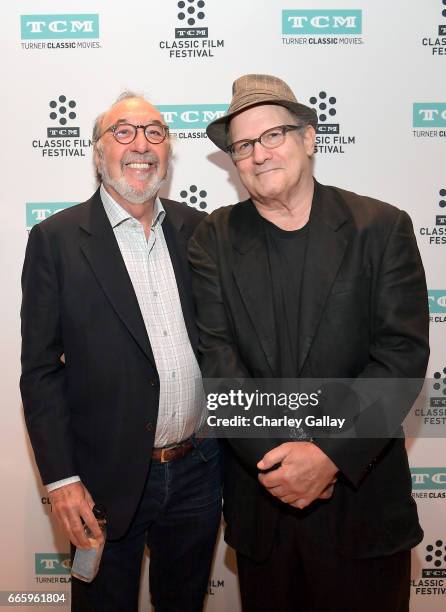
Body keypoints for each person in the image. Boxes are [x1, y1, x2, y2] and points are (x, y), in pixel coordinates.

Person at [188, 74, 429, 612]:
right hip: (263, 512)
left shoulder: (380, 227)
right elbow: (219, 366)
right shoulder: (214, 239)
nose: (258, 154)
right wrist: (283, 463)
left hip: (363, 508)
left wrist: (326, 454)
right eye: (243, 145)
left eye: (272, 135)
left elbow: (400, 358)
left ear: (309, 137)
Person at [20, 92, 221, 612]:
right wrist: (62, 480)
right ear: (97, 151)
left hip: (197, 469)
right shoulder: (56, 240)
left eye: (155, 132)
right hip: (104, 482)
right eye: (124, 132)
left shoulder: (197, 229)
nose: (142, 145)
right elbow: (41, 372)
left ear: (169, 151)